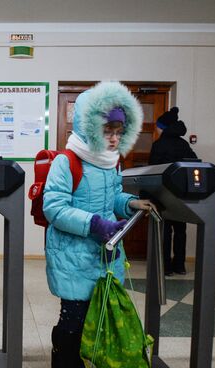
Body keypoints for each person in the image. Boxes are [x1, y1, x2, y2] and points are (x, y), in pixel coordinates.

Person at [42, 81, 155, 368]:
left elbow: (113, 196)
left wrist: (129, 203)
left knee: (98, 314)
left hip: (104, 253)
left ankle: (82, 356)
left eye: (119, 132)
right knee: (74, 317)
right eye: (107, 132)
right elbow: (54, 208)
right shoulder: (67, 162)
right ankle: (63, 359)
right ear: (89, 127)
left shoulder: (111, 162)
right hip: (73, 255)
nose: (115, 139)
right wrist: (94, 223)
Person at [149, 107, 198, 276]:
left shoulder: (159, 145)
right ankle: (180, 265)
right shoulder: (184, 144)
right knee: (180, 231)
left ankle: (166, 267)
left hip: (163, 193)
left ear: (162, 127)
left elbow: (152, 170)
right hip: (181, 194)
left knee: (164, 230)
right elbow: (194, 164)